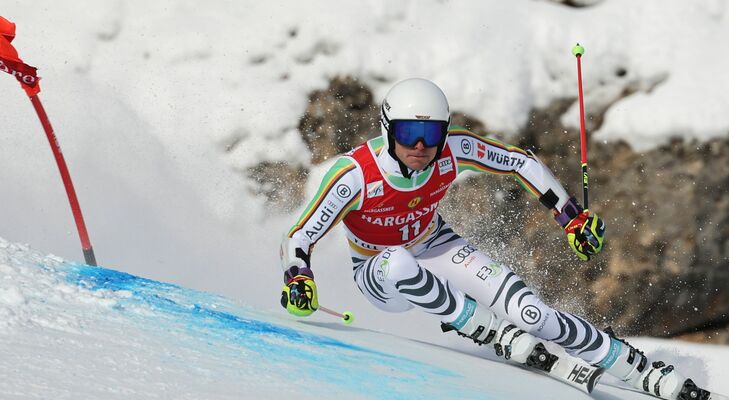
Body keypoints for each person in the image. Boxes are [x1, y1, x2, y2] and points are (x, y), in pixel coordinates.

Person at [279, 78, 694, 399]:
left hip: (435, 244)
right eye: (408, 133)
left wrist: (570, 217)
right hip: (378, 270)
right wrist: (298, 277)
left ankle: (633, 366)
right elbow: (299, 237)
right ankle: (489, 332)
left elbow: (519, 163)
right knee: (400, 263)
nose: (420, 146)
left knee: (532, 314)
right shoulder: (354, 175)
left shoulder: (452, 149)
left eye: (431, 134)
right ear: (388, 130)